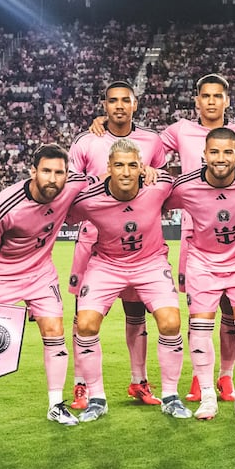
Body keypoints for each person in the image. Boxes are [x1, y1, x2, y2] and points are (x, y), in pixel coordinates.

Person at [0, 144, 92, 431]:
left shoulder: (71, 185)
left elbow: (101, 178)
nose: (53, 178)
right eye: (46, 171)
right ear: (33, 171)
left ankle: (56, 405)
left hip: (40, 273)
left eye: (59, 172)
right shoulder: (6, 203)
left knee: (54, 331)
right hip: (3, 274)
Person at [69, 138, 190, 422]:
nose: (125, 172)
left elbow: (185, 186)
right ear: (109, 168)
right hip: (107, 264)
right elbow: (61, 211)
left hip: (150, 263)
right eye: (119, 165)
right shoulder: (90, 197)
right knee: (85, 324)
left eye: (132, 165)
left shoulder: (158, 187)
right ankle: (96, 398)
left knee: (171, 322)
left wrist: (159, 173)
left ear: (141, 168)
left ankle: (171, 396)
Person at [159, 74, 235, 404]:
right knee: (199, 312)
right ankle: (197, 376)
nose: (212, 101)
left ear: (227, 100)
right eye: (206, 96)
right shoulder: (179, 130)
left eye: (218, 96)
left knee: (234, 311)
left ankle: (226, 376)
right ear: (197, 101)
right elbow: (146, 149)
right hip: (194, 232)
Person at [68, 80, 168, 410]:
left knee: (136, 311)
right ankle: (81, 384)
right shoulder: (87, 141)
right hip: (92, 240)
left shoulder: (151, 141)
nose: (120, 106)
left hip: (136, 244)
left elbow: (160, 180)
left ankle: (139, 381)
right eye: (113, 101)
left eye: (126, 100)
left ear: (135, 104)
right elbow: (71, 187)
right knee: (82, 317)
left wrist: (152, 170)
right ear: (105, 106)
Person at [166, 127, 235, 420]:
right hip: (202, 263)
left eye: (228, 152)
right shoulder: (185, 186)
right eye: (214, 152)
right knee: (200, 328)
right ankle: (208, 397)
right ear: (204, 154)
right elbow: (154, 200)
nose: (221, 158)